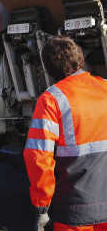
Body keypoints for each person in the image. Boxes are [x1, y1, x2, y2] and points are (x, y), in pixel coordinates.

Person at [23, 36, 107, 231]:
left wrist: (41, 207)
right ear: (80, 59)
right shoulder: (105, 87)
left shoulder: (51, 99)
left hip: (74, 209)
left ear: (49, 69)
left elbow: (38, 157)